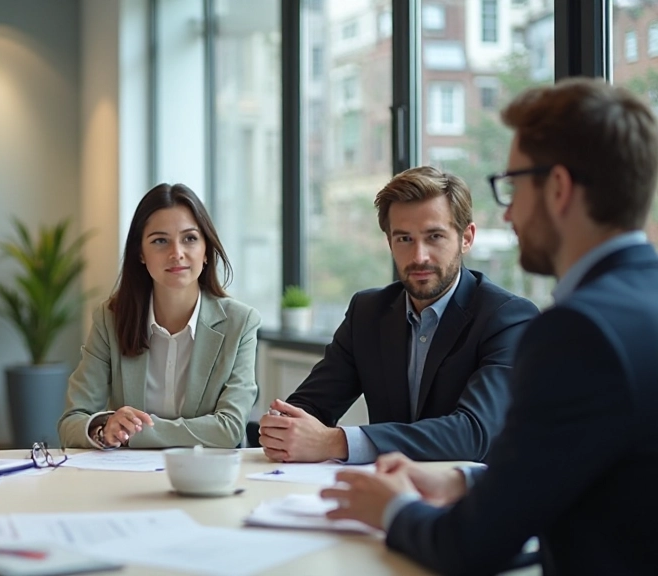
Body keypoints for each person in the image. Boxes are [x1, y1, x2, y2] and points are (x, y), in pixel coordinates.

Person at [321, 78, 658, 574]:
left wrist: (389, 508)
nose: (510, 211)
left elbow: (471, 545)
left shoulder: (577, 332)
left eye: (514, 185)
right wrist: (463, 481)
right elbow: (602, 471)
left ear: (559, 188)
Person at [259, 167, 538, 463]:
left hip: (472, 499)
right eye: (404, 239)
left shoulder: (507, 318)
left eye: (434, 237)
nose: (419, 256)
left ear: (466, 238)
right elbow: (311, 405)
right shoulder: (367, 312)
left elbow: (473, 434)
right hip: (382, 493)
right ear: (389, 241)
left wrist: (337, 442)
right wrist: (284, 428)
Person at [58, 183, 260, 449]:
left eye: (189, 238)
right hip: (128, 482)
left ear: (206, 250)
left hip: (210, 479)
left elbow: (229, 430)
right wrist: (104, 429)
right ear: (140, 253)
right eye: (160, 241)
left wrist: (134, 433)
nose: (177, 253)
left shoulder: (240, 323)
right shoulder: (110, 319)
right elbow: (72, 422)